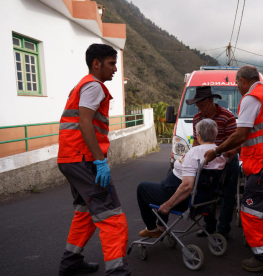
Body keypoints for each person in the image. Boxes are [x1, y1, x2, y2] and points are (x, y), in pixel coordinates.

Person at [204, 65, 263, 272]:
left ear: (242, 80)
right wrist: (235, 150)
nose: (238, 87)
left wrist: (217, 151)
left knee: (249, 210)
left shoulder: (251, 97)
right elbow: (259, 134)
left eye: (237, 83)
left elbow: (240, 134)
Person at [57, 44, 130, 276]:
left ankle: (71, 263)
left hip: (70, 158)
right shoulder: (94, 86)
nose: (115, 69)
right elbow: (84, 122)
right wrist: (99, 161)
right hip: (84, 160)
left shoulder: (81, 85)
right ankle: (117, 271)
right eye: (111, 63)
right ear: (96, 64)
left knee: (85, 212)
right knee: (112, 216)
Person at [137, 119, 226, 238]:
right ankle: (161, 226)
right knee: (162, 185)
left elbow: (187, 186)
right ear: (215, 134)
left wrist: (168, 205)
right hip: (205, 199)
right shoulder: (220, 154)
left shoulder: (194, 153)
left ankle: (152, 228)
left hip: (183, 200)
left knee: (142, 188)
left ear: (199, 137)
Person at [185, 86, 239, 239]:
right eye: (197, 106)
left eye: (202, 105)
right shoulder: (197, 119)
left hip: (228, 162)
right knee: (206, 194)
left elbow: (235, 143)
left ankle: (223, 230)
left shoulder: (227, 117)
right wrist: (192, 156)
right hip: (207, 163)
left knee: (227, 196)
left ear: (210, 101)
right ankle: (209, 226)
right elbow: (196, 142)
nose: (200, 109)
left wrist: (224, 154)